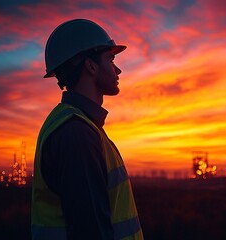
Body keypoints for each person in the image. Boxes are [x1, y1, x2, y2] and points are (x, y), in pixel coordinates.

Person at [31, 19, 143, 240]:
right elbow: (90, 232)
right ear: (91, 66)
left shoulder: (80, 126)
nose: (117, 69)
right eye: (110, 59)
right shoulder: (77, 134)